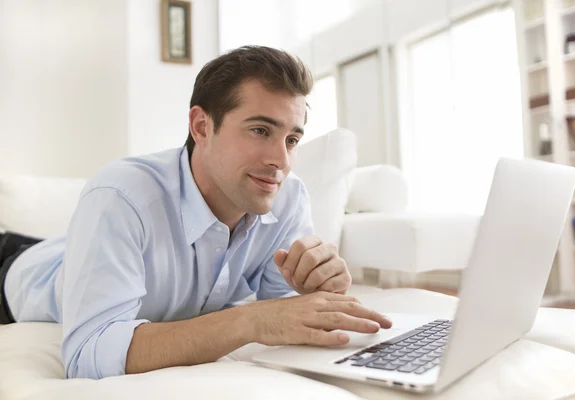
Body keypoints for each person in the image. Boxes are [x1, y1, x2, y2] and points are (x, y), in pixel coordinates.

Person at [0, 46, 392, 380]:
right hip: (17, 272)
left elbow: (284, 305)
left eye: (292, 139)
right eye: (260, 130)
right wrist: (251, 320)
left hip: (78, 252)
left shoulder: (287, 197)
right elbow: (89, 355)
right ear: (202, 127)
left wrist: (316, 288)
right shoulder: (121, 196)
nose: (281, 160)